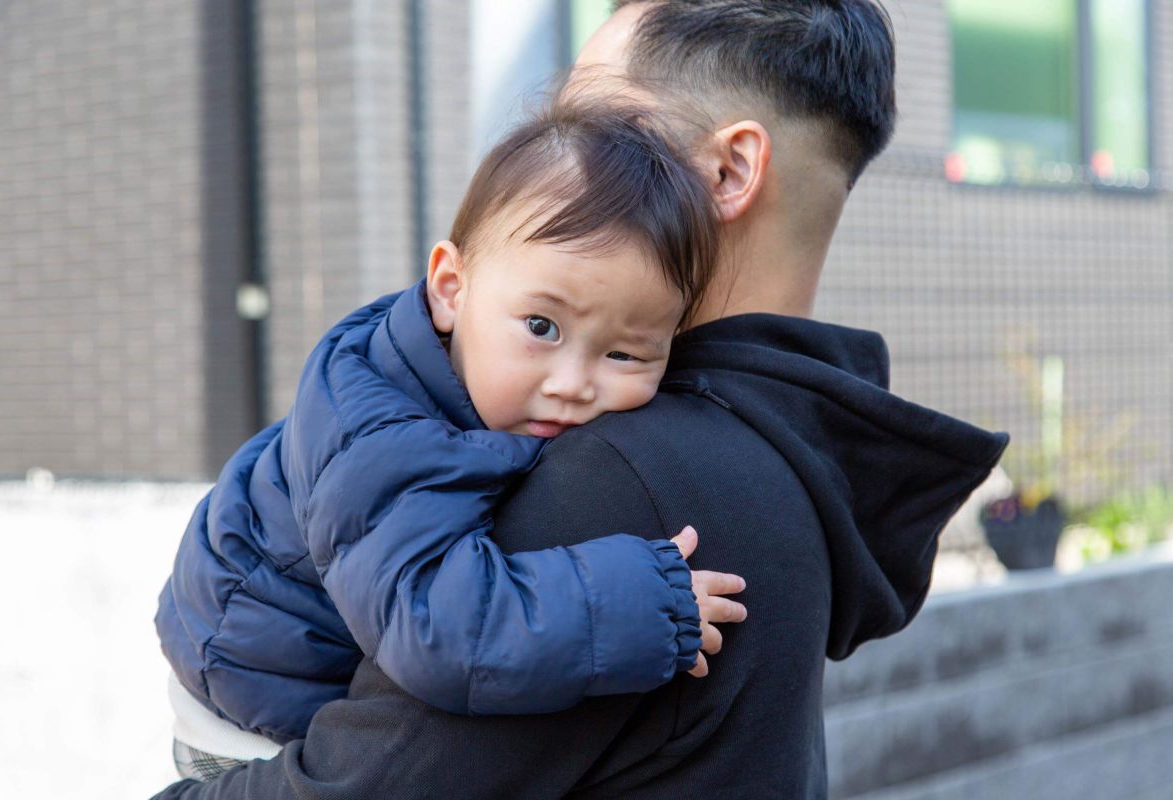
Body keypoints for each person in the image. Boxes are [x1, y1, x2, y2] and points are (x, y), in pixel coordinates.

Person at [153, 1, 1009, 797]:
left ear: (729, 169)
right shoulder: (802, 450)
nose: (560, 149)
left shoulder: (620, 476)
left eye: (602, 121)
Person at [155, 104, 750, 780]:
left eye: (625, 354)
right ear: (450, 290)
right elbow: (437, 625)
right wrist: (647, 605)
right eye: (541, 327)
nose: (574, 383)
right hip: (244, 721)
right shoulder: (384, 435)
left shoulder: (463, 381)